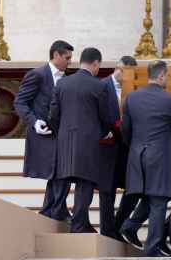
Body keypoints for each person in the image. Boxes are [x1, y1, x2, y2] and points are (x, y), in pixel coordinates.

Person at [120, 60, 171, 256]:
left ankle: (130, 226)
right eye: (168, 76)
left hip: (137, 154)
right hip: (161, 156)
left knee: (150, 196)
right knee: (159, 201)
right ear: (162, 75)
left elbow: (126, 130)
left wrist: (135, 146)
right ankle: (152, 248)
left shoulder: (131, 98)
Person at [49, 47, 112, 233]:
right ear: (95, 63)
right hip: (89, 143)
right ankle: (77, 225)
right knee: (85, 184)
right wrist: (101, 133)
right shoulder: (99, 86)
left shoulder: (62, 83)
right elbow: (106, 117)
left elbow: (53, 114)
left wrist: (61, 132)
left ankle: (56, 215)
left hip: (64, 140)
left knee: (62, 180)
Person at [14, 40, 74, 221]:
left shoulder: (67, 77)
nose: (70, 61)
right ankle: (55, 211)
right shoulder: (37, 74)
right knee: (57, 173)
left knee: (60, 173)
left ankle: (52, 211)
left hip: (62, 134)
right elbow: (20, 102)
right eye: (67, 57)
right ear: (56, 55)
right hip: (44, 133)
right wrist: (34, 122)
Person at [98, 55, 138, 241]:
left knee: (133, 189)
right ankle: (107, 231)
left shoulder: (136, 88)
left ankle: (118, 225)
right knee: (108, 190)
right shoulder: (102, 86)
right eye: (126, 72)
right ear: (119, 69)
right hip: (107, 146)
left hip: (128, 147)